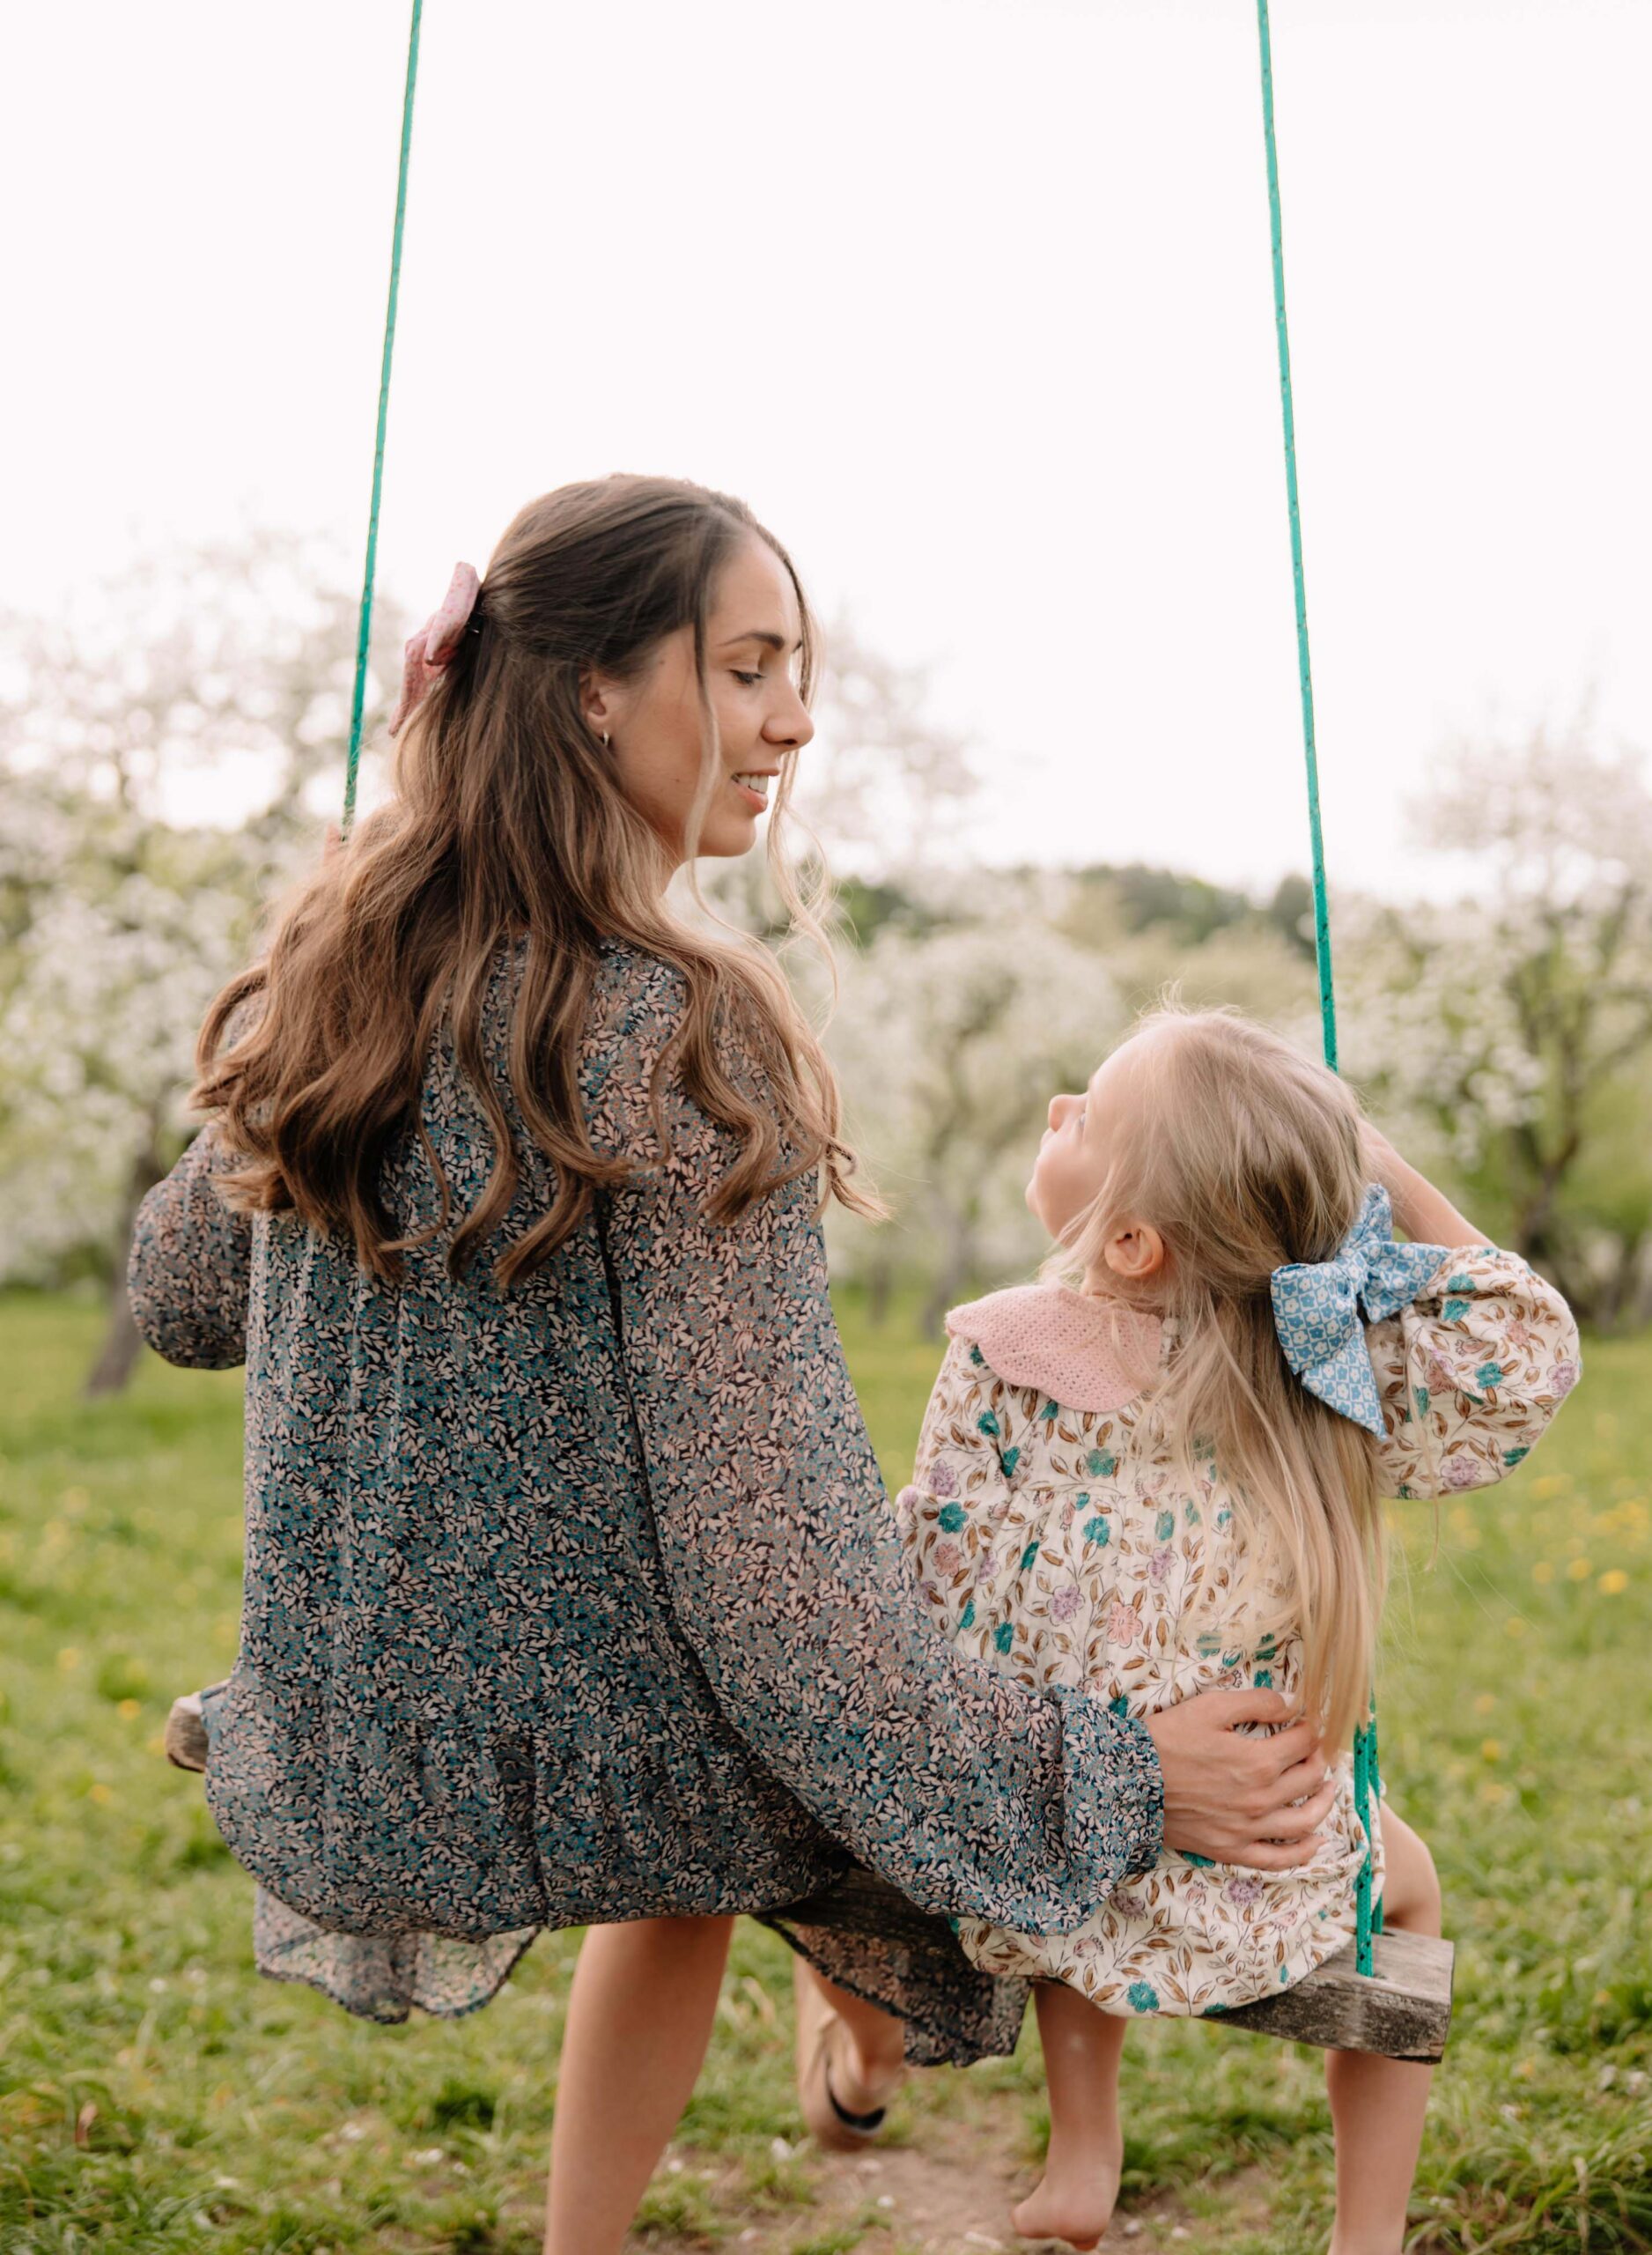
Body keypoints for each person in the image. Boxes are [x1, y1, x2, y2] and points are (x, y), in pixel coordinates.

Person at [129, 476, 1344, 2255]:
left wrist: (329, 955)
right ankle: (859, 2023)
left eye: (803, 668)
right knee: (852, 1770)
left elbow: (179, 1293)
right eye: (753, 663)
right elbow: (769, 1578)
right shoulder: (680, 1041)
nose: (794, 716)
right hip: (599, 1731)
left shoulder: (347, 980)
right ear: (595, 690)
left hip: (379, 1724)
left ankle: (792, 2090)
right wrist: (1118, 1764)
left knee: (757, 1800)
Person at [890, 1006, 1581, 2253]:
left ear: (1136, 1240)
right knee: (1408, 1898)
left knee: (1086, 1787)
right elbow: (1526, 1340)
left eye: (1085, 1117)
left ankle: (1084, 2147)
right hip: (1276, 1869)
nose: (1059, 1111)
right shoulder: (1315, 1368)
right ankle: (1367, 2233)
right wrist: (1361, 1147)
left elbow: (941, 1577)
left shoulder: (1006, 1348)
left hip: (1055, 1870)